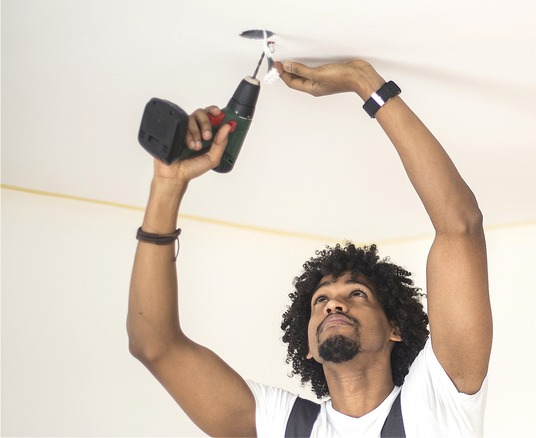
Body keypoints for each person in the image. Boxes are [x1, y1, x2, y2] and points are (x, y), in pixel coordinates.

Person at [128, 60, 492, 437]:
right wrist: (167, 185)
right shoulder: (282, 424)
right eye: (320, 301)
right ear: (308, 347)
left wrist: (364, 80)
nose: (334, 305)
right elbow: (154, 344)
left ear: (394, 328)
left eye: (357, 294)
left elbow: (459, 228)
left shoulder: (437, 401)